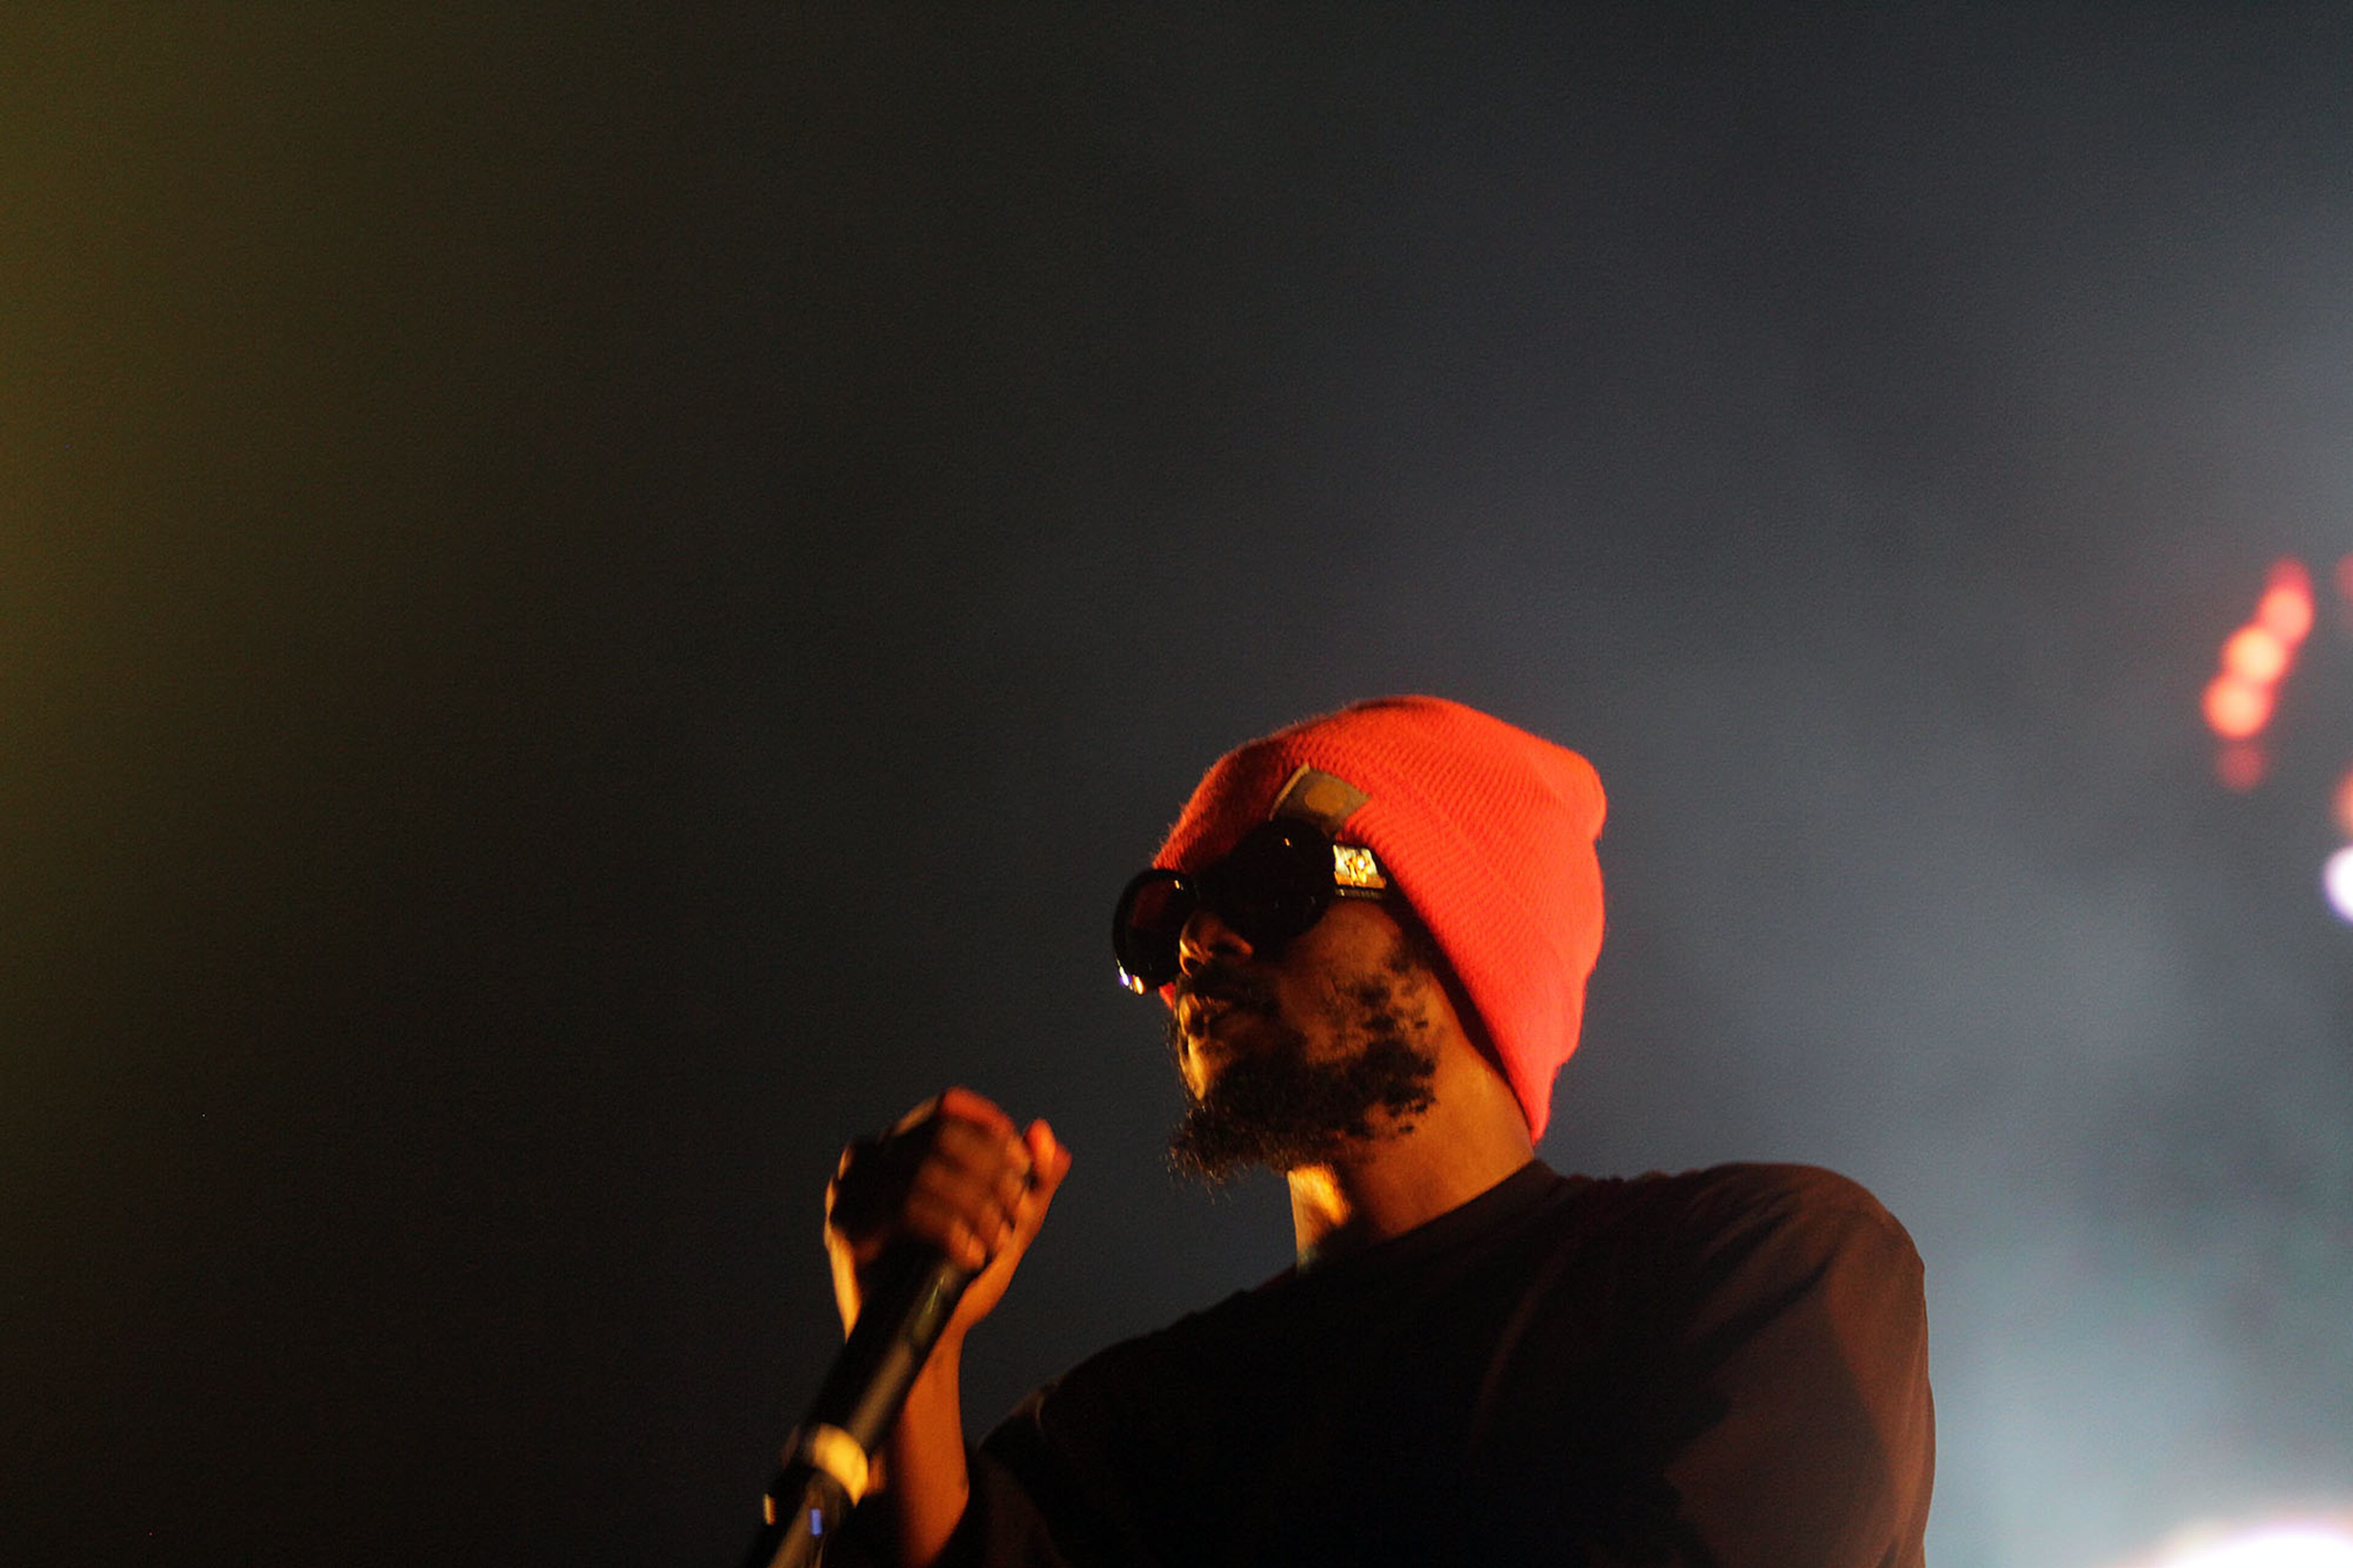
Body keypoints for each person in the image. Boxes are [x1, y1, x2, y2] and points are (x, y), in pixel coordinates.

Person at [817, 696, 1934, 1567]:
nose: (1201, 940)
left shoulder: (1758, 1268)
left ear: (1462, 934)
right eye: (1166, 917)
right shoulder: (1132, 1427)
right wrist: (906, 1349)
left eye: (1270, 878)